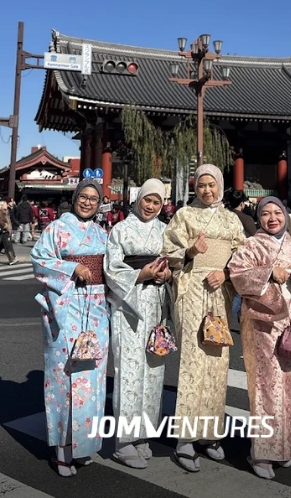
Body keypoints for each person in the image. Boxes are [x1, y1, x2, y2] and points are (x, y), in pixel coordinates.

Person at [228, 197, 291, 479]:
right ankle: (262, 452)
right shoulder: (251, 245)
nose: (272, 218)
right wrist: (270, 272)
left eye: (277, 212)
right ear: (258, 218)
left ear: (285, 215)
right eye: (266, 213)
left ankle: (287, 446)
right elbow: (238, 275)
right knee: (266, 387)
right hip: (262, 325)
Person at [162, 164, 245, 472]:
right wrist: (190, 251)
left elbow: (243, 255)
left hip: (220, 293)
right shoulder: (184, 215)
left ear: (220, 186)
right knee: (192, 362)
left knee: (218, 362)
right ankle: (185, 437)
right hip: (193, 290)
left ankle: (210, 434)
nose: (207, 190)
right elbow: (168, 249)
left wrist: (225, 272)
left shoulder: (231, 219)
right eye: (202, 186)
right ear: (194, 188)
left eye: (212, 185)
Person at [30, 179, 109, 477]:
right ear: (74, 198)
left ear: (99, 203)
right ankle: (62, 450)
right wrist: (71, 268)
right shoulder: (57, 229)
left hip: (97, 309)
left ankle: (83, 446)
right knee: (64, 376)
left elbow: (112, 269)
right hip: (66, 306)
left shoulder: (103, 234)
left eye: (93, 198)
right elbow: (39, 259)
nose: (87, 202)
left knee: (92, 378)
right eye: (83, 197)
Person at [104, 178, 172, 468]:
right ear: (138, 199)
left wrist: (165, 276)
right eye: (147, 200)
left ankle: (143, 434)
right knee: (129, 371)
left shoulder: (164, 231)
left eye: (156, 202)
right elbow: (111, 268)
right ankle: (124, 441)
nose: (151, 206)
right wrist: (141, 275)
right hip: (128, 308)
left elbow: (172, 265)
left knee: (154, 371)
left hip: (156, 305)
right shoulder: (120, 229)